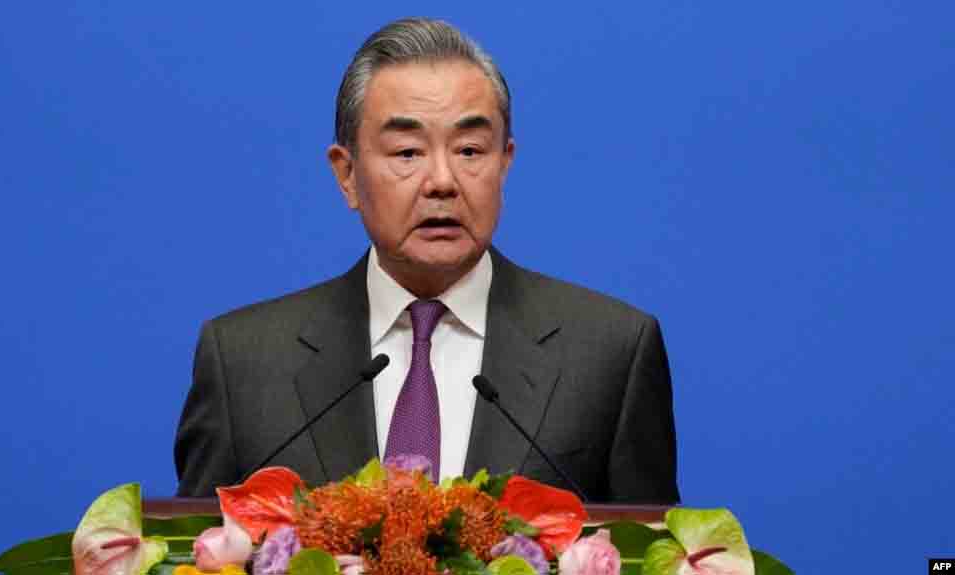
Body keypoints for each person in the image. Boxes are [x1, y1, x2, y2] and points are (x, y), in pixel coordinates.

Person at [174, 18, 679, 503]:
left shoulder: (611, 354)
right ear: (347, 175)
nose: (442, 181)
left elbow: (651, 544)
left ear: (504, 162)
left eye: (470, 150)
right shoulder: (243, 364)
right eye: (407, 152)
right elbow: (195, 546)